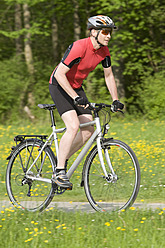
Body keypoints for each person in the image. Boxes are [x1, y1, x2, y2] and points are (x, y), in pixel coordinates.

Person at [49, 15, 124, 189]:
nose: (109, 36)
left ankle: (62, 157)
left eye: (110, 32)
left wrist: (115, 99)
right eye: (105, 32)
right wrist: (75, 97)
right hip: (59, 85)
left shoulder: (104, 51)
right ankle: (59, 171)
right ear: (94, 32)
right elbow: (60, 74)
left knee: (89, 129)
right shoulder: (79, 47)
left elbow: (109, 75)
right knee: (73, 125)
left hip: (76, 87)